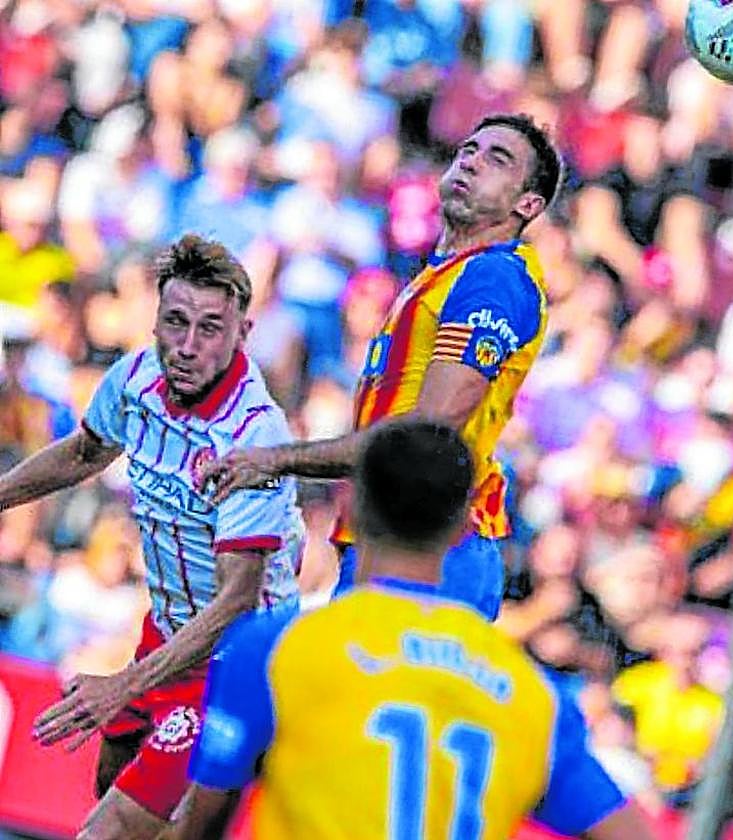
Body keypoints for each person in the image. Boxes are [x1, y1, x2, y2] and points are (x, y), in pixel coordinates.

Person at [167, 421, 656, 840]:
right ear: (465, 524)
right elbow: (626, 830)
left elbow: (204, 818)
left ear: (351, 508)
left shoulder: (276, 648)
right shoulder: (531, 693)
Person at [199, 112, 562, 621]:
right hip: (392, 542)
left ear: (528, 204)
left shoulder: (492, 278)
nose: (472, 161)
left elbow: (425, 436)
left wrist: (275, 460)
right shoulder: (440, 277)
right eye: (468, 150)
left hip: (433, 551)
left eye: (497, 159)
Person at [4, 234, 303, 840]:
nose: (188, 347)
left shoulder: (252, 436)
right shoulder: (137, 377)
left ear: (242, 332)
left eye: (210, 329)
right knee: (109, 800)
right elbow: (87, 450)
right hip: (164, 633)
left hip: (232, 659)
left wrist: (122, 685)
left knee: (105, 834)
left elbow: (236, 601)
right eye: (175, 322)